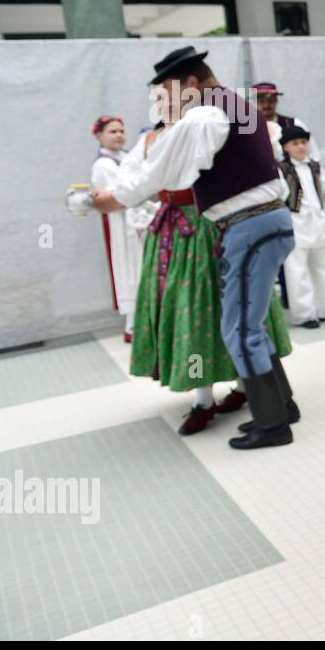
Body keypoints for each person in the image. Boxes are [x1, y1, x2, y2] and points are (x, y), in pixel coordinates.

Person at [97, 46, 300, 450]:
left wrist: (112, 198)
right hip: (268, 221)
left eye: (169, 92)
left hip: (249, 225)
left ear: (190, 83)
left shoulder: (204, 116)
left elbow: (156, 175)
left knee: (240, 328)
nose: (166, 103)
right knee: (250, 323)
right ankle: (282, 407)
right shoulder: (239, 106)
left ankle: (273, 425)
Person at [89, 116, 157, 342]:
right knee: (128, 269)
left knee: (144, 268)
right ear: (99, 136)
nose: (119, 135)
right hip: (121, 223)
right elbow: (125, 192)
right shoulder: (103, 165)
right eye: (112, 131)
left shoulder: (127, 157)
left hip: (140, 218)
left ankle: (148, 321)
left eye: (121, 131)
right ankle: (133, 325)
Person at [278, 125, 325, 328]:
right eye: (295, 143)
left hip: (318, 221)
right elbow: (280, 195)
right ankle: (305, 314)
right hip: (295, 222)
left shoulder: (315, 166)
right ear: (286, 147)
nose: (300, 146)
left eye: (303, 142)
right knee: (297, 269)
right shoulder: (281, 169)